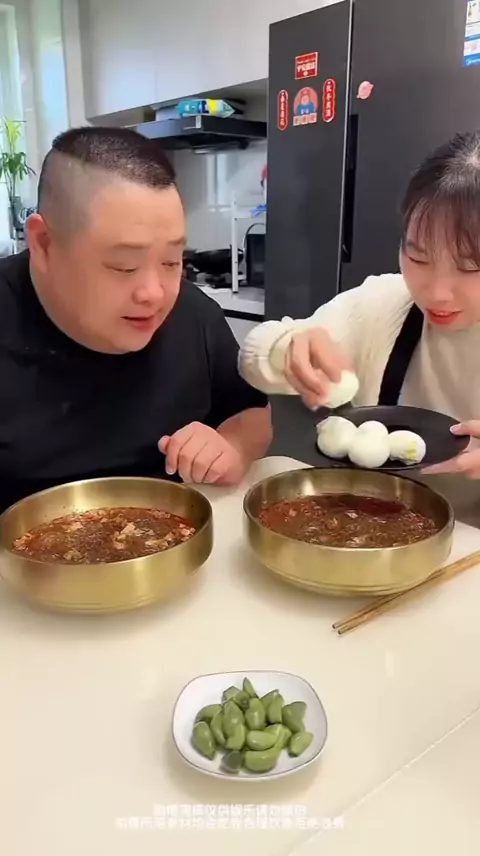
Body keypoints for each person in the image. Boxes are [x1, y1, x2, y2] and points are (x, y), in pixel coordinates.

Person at [0, 126, 272, 511]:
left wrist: (233, 447)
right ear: (44, 244)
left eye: (171, 261)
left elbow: (252, 414)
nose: (154, 294)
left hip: (169, 536)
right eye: (124, 266)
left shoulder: (194, 315)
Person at [240, 130, 480, 480]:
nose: (437, 292)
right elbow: (256, 354)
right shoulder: (385, 304)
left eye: (470, 267)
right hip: (381, 507)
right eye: (418, 257)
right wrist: (285, 348)